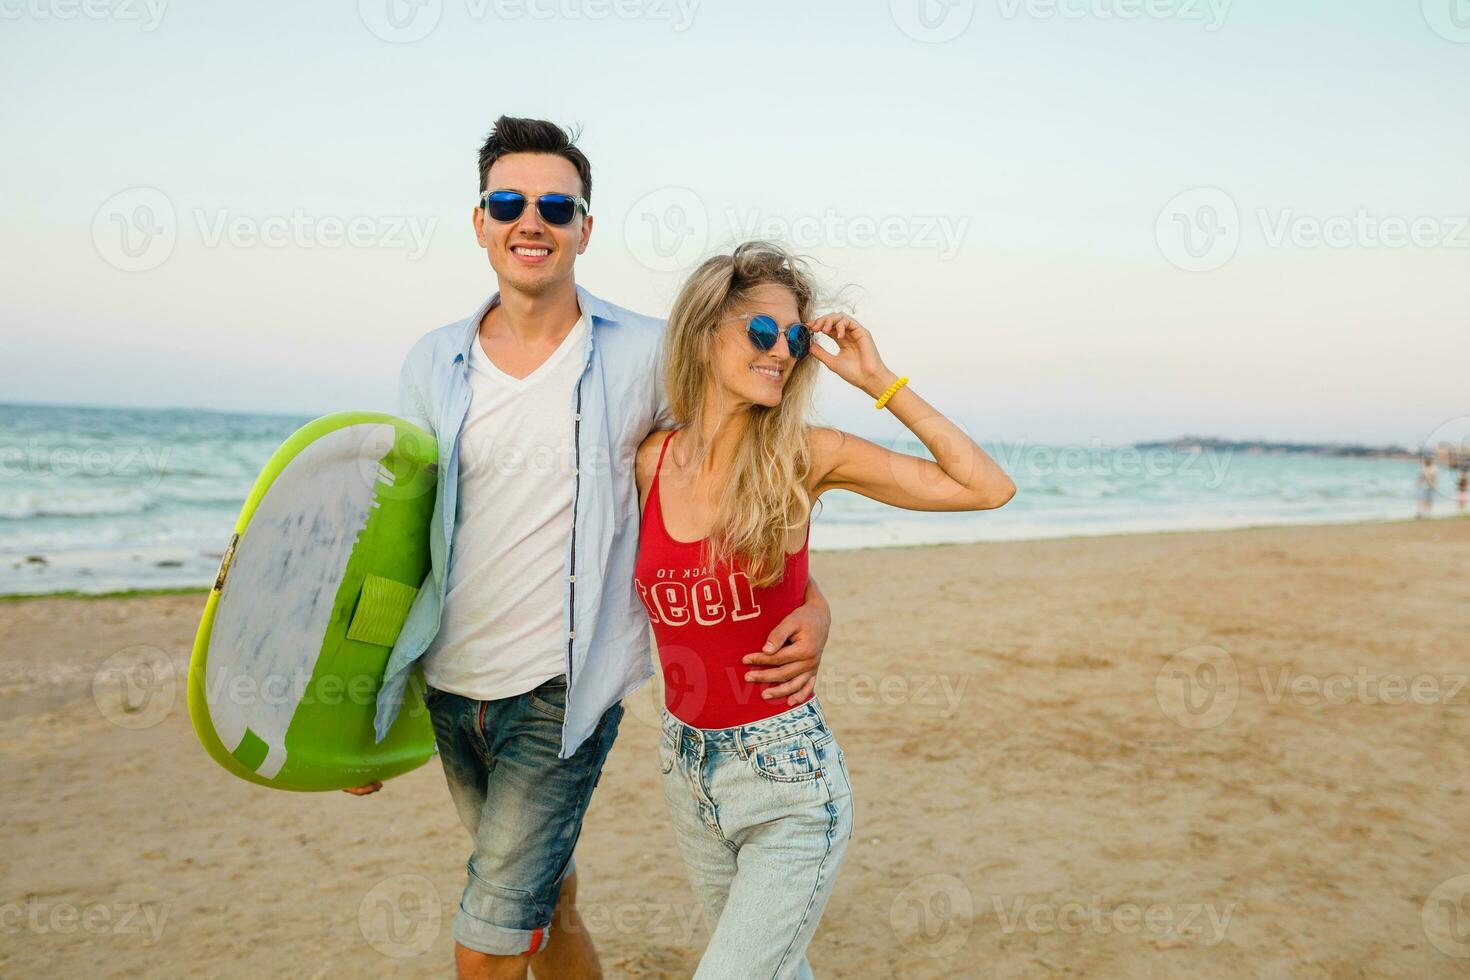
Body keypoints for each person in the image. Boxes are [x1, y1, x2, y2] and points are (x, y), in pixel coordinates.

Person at [347, 119, 836, 980]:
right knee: (547, 902)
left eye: (554, 206)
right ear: (480, 222)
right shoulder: (433, 361)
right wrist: (358, 711)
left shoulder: (648, 353)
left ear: (584, 227)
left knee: (491, 936)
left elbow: (730, 480)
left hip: (561, 695)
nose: (530, 220)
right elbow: (397, 537)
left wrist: (813, 601)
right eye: (509, 202)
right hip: (451, 687)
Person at [633, 242, 1016, 978]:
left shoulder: (807, 455)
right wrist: (815, 600)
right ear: (704, 332)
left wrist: (880, 381)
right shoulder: (650, 460)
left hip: (787, 778)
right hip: (685, 767)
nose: (782, 351)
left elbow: (984, 487)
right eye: (761, 332)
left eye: (796, 337)